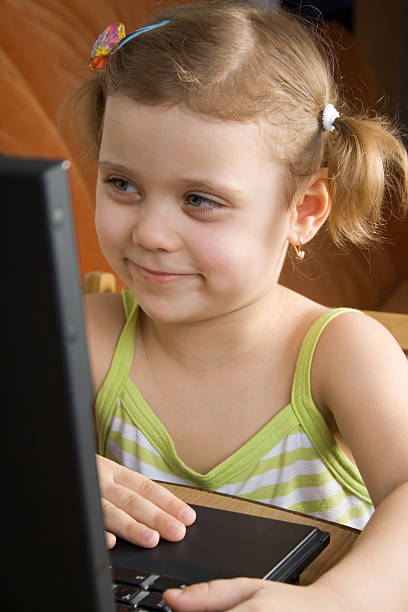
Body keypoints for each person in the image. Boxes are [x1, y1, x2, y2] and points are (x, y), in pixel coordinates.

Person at [70, 1, 408, 609]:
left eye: (199, 198)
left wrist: (333, 601)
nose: (151, 232)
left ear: (303, 210)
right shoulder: (88, 333)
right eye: (122, 184)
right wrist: (40, 475)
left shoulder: (339, 352)